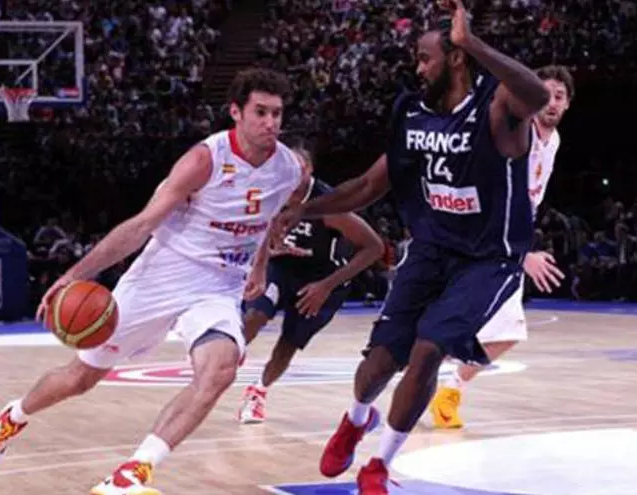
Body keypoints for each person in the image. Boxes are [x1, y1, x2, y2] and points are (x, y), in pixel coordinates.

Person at [0, 68, 311, 495]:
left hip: (219, 287)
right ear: (236, 112)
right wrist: (73, 275)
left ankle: (134, 471)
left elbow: (270, 214)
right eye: (260, 112)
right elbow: (142, 225)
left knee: (220, 369)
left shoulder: (290, 168)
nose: (271, 123)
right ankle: (13, 417)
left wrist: (259, 264)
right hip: (164, 273)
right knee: (81, 378)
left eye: (277, 113)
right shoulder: (203, 160)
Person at [271, 1, 556, 492]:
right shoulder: (415, 114)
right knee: (378, 365)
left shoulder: (496, 108)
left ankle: (379, 464)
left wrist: (473, 41)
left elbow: (535, 94)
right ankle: (357, 417)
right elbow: (367, 186)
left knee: (428, 350)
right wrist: (303, 210)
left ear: (456, 58)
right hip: (430, 251)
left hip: (486, 260)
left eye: (426, 59)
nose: (418, 69)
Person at [428, 64, 574, 429]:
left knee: (505, 333)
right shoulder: (515, 131)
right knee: (445, 330)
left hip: (507, 237)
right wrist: (520, 254)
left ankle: (447, 390)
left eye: (559, 96)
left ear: (568, 103)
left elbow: (526, 200)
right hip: (479, 235)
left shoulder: (553, 140)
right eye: (545, 94)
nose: (551, 102)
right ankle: (407, 388)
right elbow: (493, 195)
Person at [238, 138, 385, 424]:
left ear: (309, 170)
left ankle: (258, 391)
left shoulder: (328, 205)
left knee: (289, 342)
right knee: (254, 314)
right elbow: (258, 228)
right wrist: (262, 260)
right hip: (282, 268)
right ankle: (230, 355)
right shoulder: (272, 192)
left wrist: (327, 285)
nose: (291, 173)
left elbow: (374, 248)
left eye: (298, 167)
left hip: (322, 279)